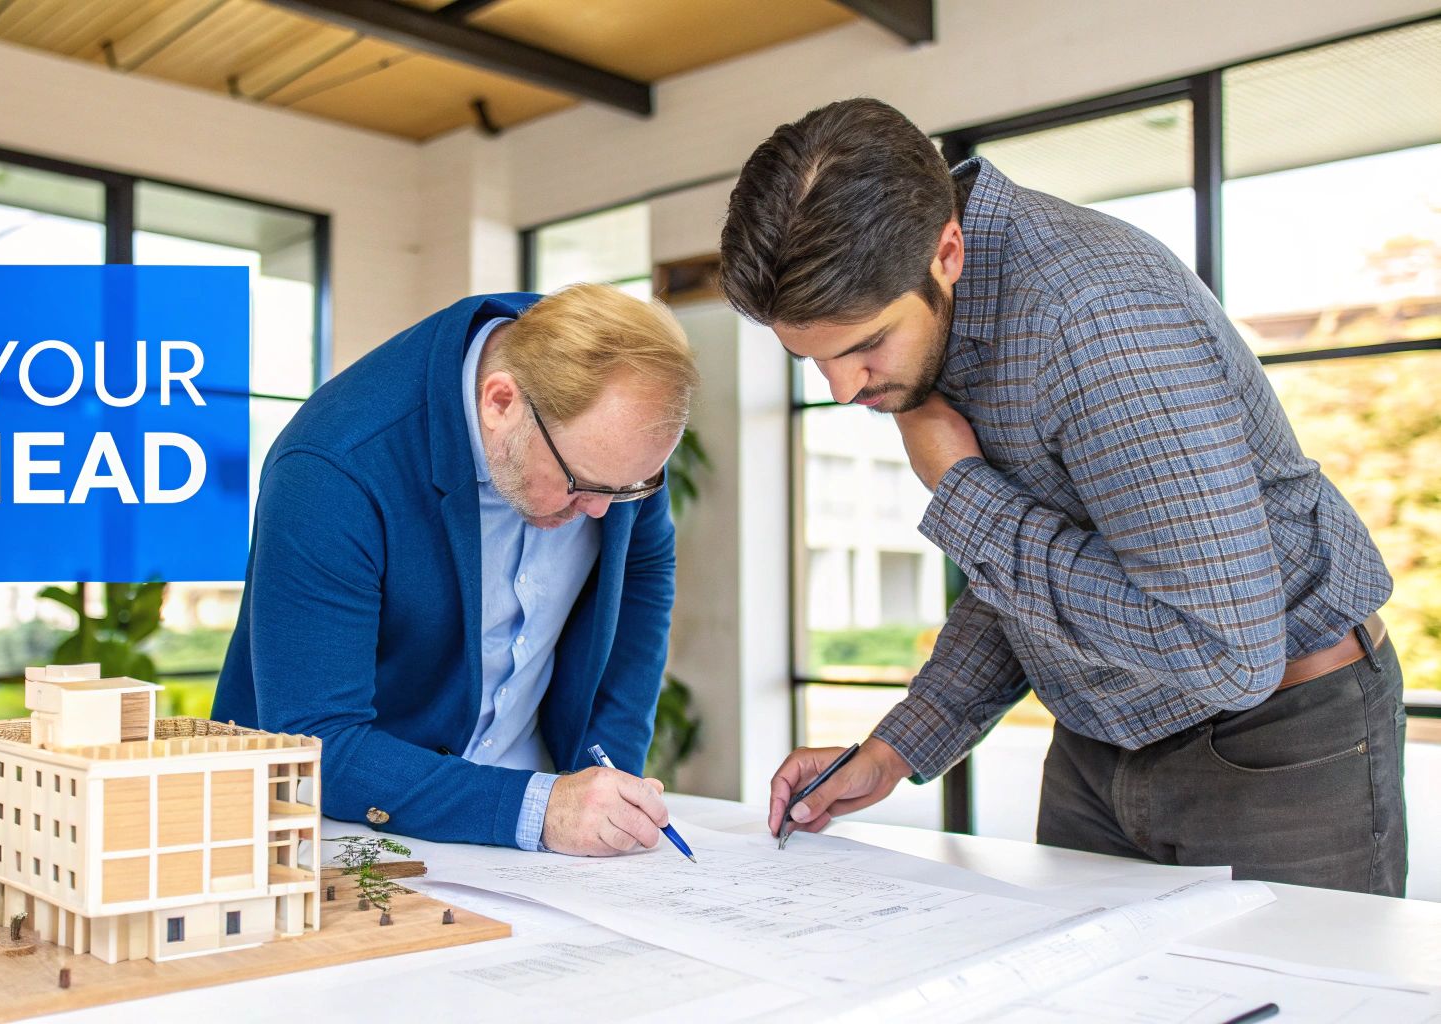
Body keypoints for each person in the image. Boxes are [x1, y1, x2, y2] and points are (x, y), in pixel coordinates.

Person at [720, 97, 1403, 895]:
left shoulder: (1091, 319)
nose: (842, 389)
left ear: (946, 251)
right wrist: (895, 748)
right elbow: (1029, 575)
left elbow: (1227, 654)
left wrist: (963, 492)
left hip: (1275, 740)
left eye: (866, 344)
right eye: (813, 360)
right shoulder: (946, 319)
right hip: (1096, 741)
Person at [214, 285, 700, 855]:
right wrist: (539, 809)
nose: (601, 512)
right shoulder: (332, 468)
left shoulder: (611, 449)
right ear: (499, 403)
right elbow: (318, 740)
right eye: (584, 485)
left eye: (629, 492)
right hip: (338, 824)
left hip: (536, 830)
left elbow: (643, 570)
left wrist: (608, 778)